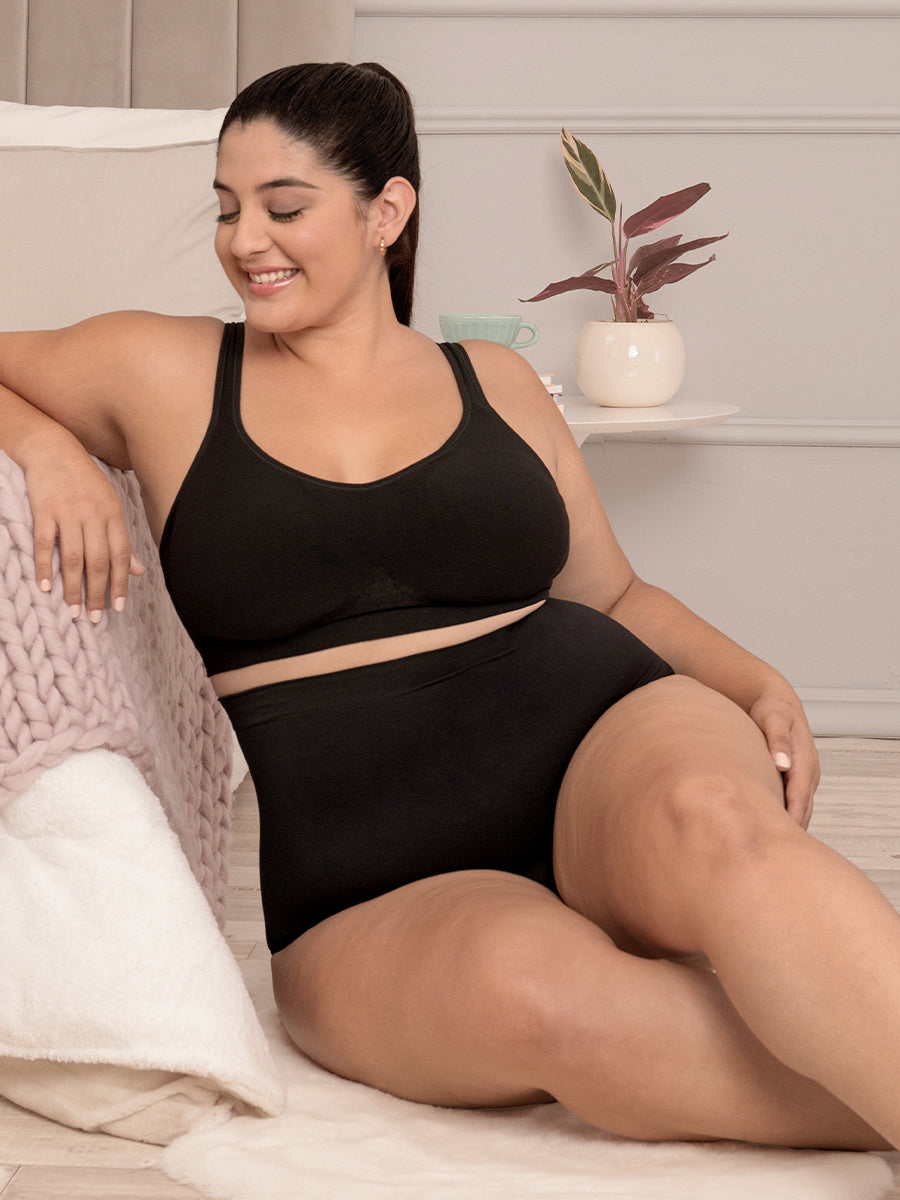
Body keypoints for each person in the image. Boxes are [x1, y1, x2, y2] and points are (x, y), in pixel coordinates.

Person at [1, 61, 898, 1152]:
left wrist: (756, 680)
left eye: (284, 207)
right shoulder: (160, 367)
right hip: (368, 880)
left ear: (387, 211)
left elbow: (612, 593)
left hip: (599, 745)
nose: (245, 241)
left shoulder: (494, 381)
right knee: (546, 1002)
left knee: (720, 827)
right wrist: (46, 447)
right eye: (228, 209)